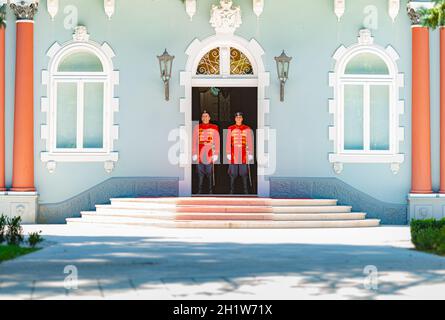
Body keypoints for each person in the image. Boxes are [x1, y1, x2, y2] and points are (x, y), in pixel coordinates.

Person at [192, 110, 220, 194]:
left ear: (209, 118)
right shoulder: (197, 127)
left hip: (210, 153)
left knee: (209, 174)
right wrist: (194, 153)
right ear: (201, 118)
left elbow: (217, 141)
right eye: (203, 116)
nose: (205, 118)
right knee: (200, 174)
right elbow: (194, 141)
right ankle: (199, 191)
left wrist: (216, 154)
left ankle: (210, 191)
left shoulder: (214, 127)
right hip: (199, 153)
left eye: (206, 116)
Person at [225, 112, 254, 194]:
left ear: (242, 119)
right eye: (237, 117)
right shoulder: (230, 128)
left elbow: (250, 142)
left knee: (244, 173)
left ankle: (246, 191)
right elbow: (227, 142)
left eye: (240, 117)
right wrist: (228, 153)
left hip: (244, 153)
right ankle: (231, 190)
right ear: (235, 119)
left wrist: (251, 153)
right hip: (234, 153)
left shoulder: (247, 128)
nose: (238, 119)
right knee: (232, 173)